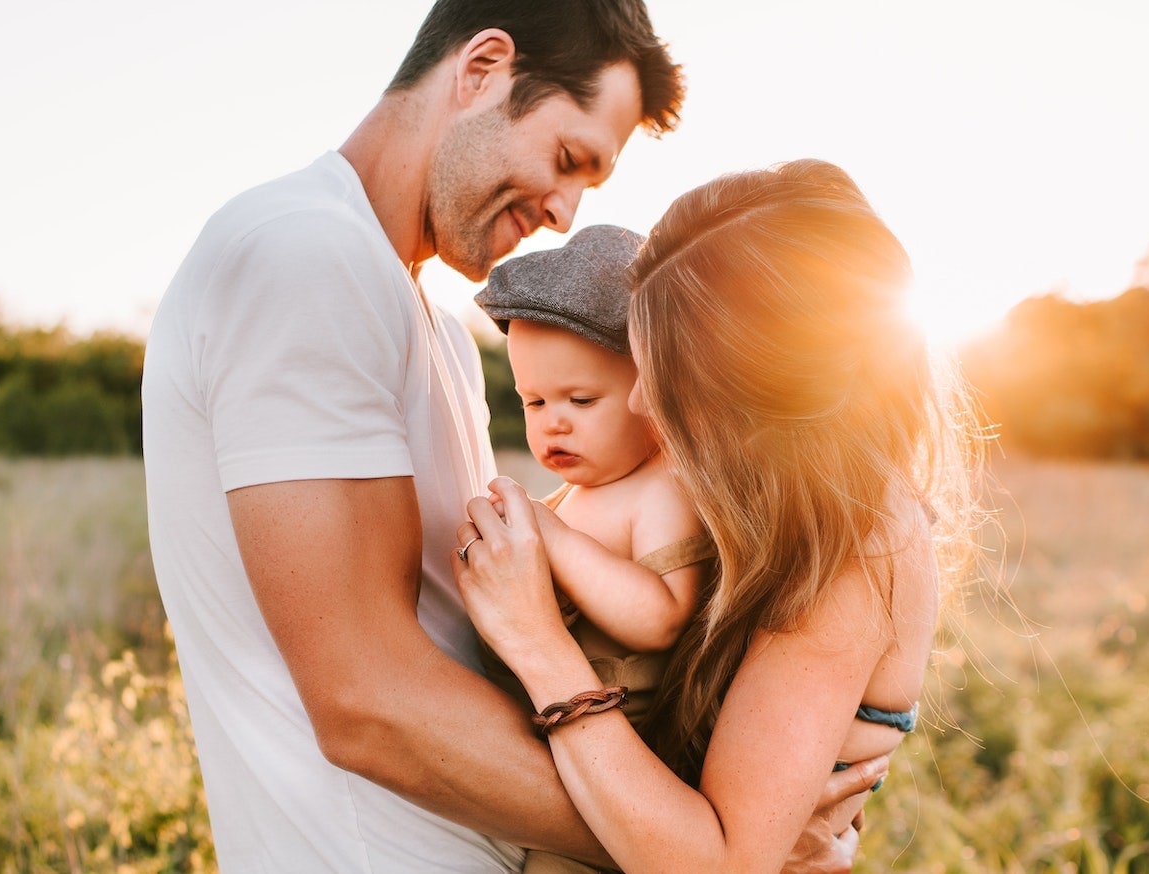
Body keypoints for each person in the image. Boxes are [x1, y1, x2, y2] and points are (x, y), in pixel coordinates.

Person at [143, 0, 884, 868]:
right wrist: (706, 847)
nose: (566, 212)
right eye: (568, 159)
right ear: (482, 67)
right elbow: (364, 701)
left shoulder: (434, 328)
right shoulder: (302, 258)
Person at [454, 159, 983, 873]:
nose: (641, 405)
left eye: (668, 381)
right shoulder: (756, 502)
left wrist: (538, 645)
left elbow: (716, 865)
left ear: (761, 393)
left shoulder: (859, 542)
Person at [473, 224, 710, 874]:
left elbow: (662, 614)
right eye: (533, 400)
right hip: (552, 749)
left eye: (581, 399)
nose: (553, 420)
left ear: (652, 393)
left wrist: (552, 539)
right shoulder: (575, 494)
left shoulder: (659, 487)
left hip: (622, 756)